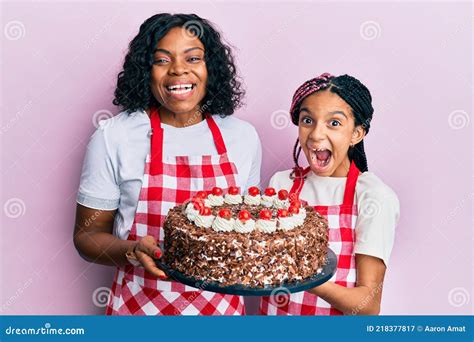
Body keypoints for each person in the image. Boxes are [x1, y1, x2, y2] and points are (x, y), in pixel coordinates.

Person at [74, 13, 261, 315]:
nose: (178, 70)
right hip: (138, 311)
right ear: (145, 71)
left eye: (193, 58)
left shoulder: (243, 137)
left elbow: (246, 228)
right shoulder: (114, 136)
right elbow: (87, 236)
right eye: (162, 60)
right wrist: (132, 251)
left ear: (210, 68)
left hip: (223, 314)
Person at [260, 73, 399, 315]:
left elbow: (368, 305)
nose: (315, 135)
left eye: (334, 123)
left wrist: (308, 279)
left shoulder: (373, 197)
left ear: (357, 133)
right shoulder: (282, 184)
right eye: (307, 120)